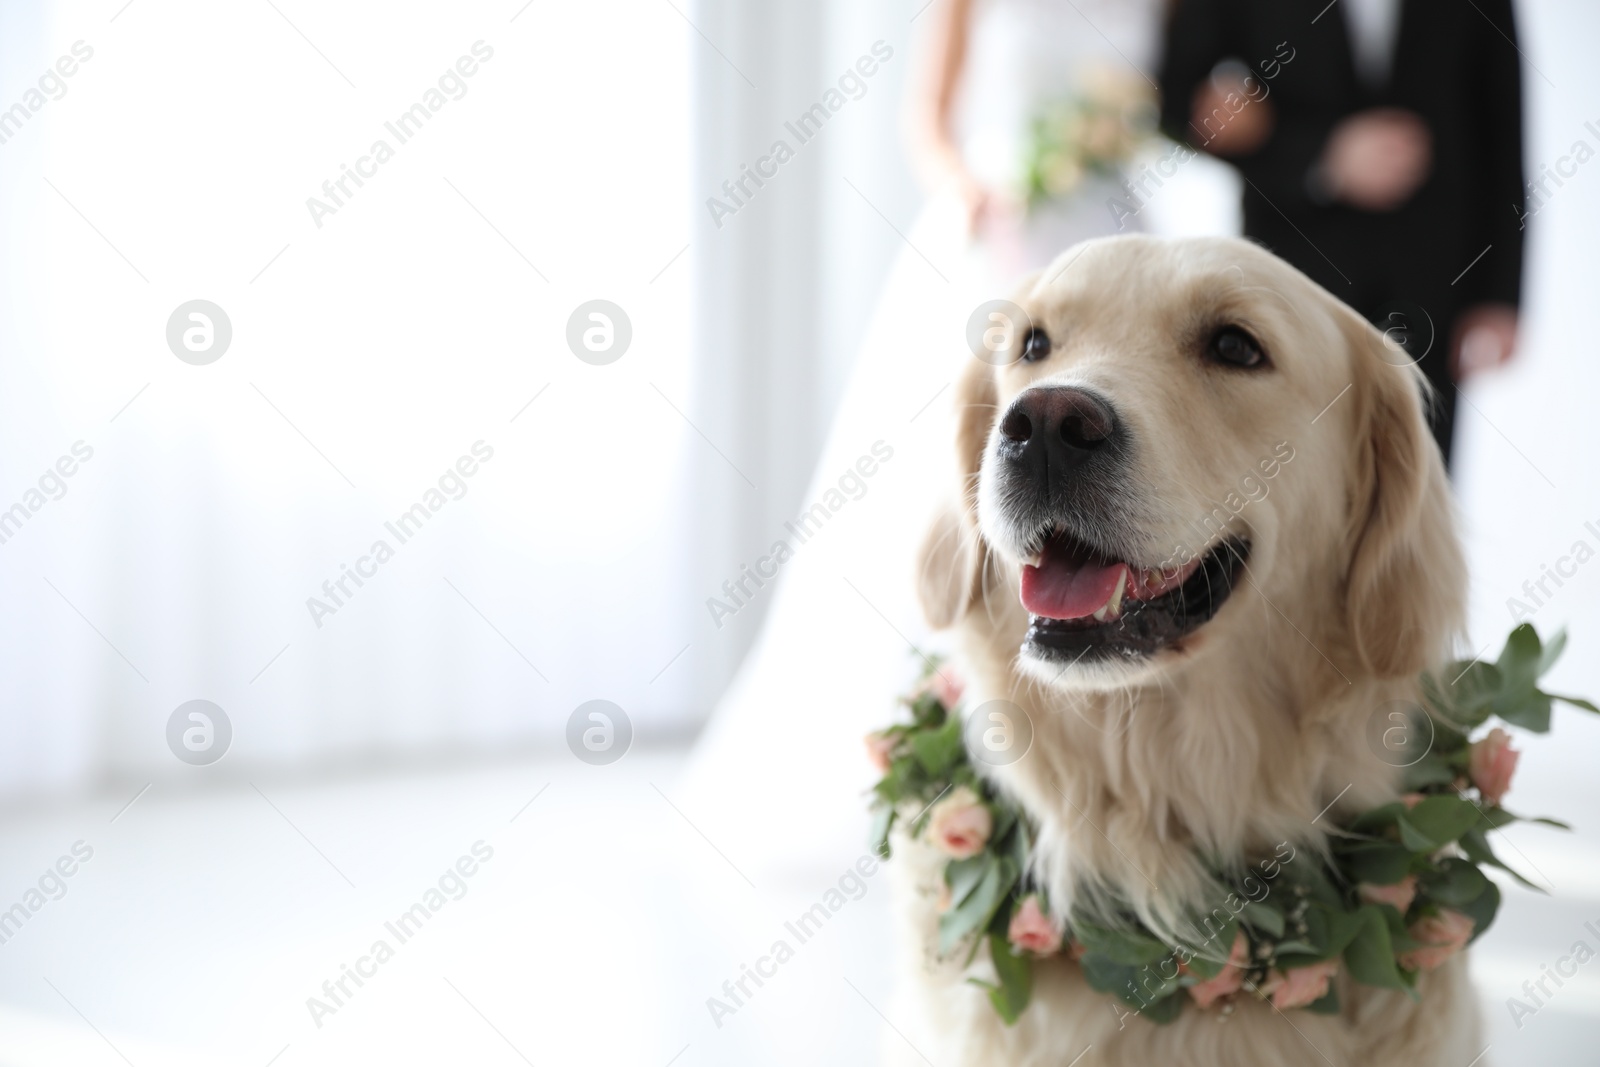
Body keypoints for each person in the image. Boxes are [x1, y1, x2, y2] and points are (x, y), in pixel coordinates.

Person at [679, 0, 1172, 879]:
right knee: (953, 492)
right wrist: (973, 188)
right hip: (997, 231)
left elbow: (1189, 103)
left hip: (1114, 229)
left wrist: (1121, 135)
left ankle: (1100, 781)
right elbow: (928, 122)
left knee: (1124, 486)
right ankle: (945, 772)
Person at [1158, 0, 1526, 464]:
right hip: (1294, 270)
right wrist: (1320, 155)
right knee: (1292, 477)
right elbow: (1177, 104)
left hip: (1435, 277)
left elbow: (1503, 123)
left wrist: (1500, 294)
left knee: (1420, 477)